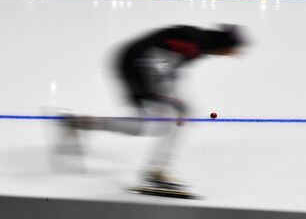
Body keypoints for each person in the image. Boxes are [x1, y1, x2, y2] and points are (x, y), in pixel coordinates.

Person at [57, 24, 245, 190]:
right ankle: (155, 171)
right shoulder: (194, 42)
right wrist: (171, 100)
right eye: (232, 51)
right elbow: (158, 62)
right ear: (225, 46)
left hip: (141, 62)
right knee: (160, 122)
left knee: (166, 120)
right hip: (137, 64)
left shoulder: (202, 43)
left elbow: (168, 64)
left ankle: (84, 124)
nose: (232, 56)